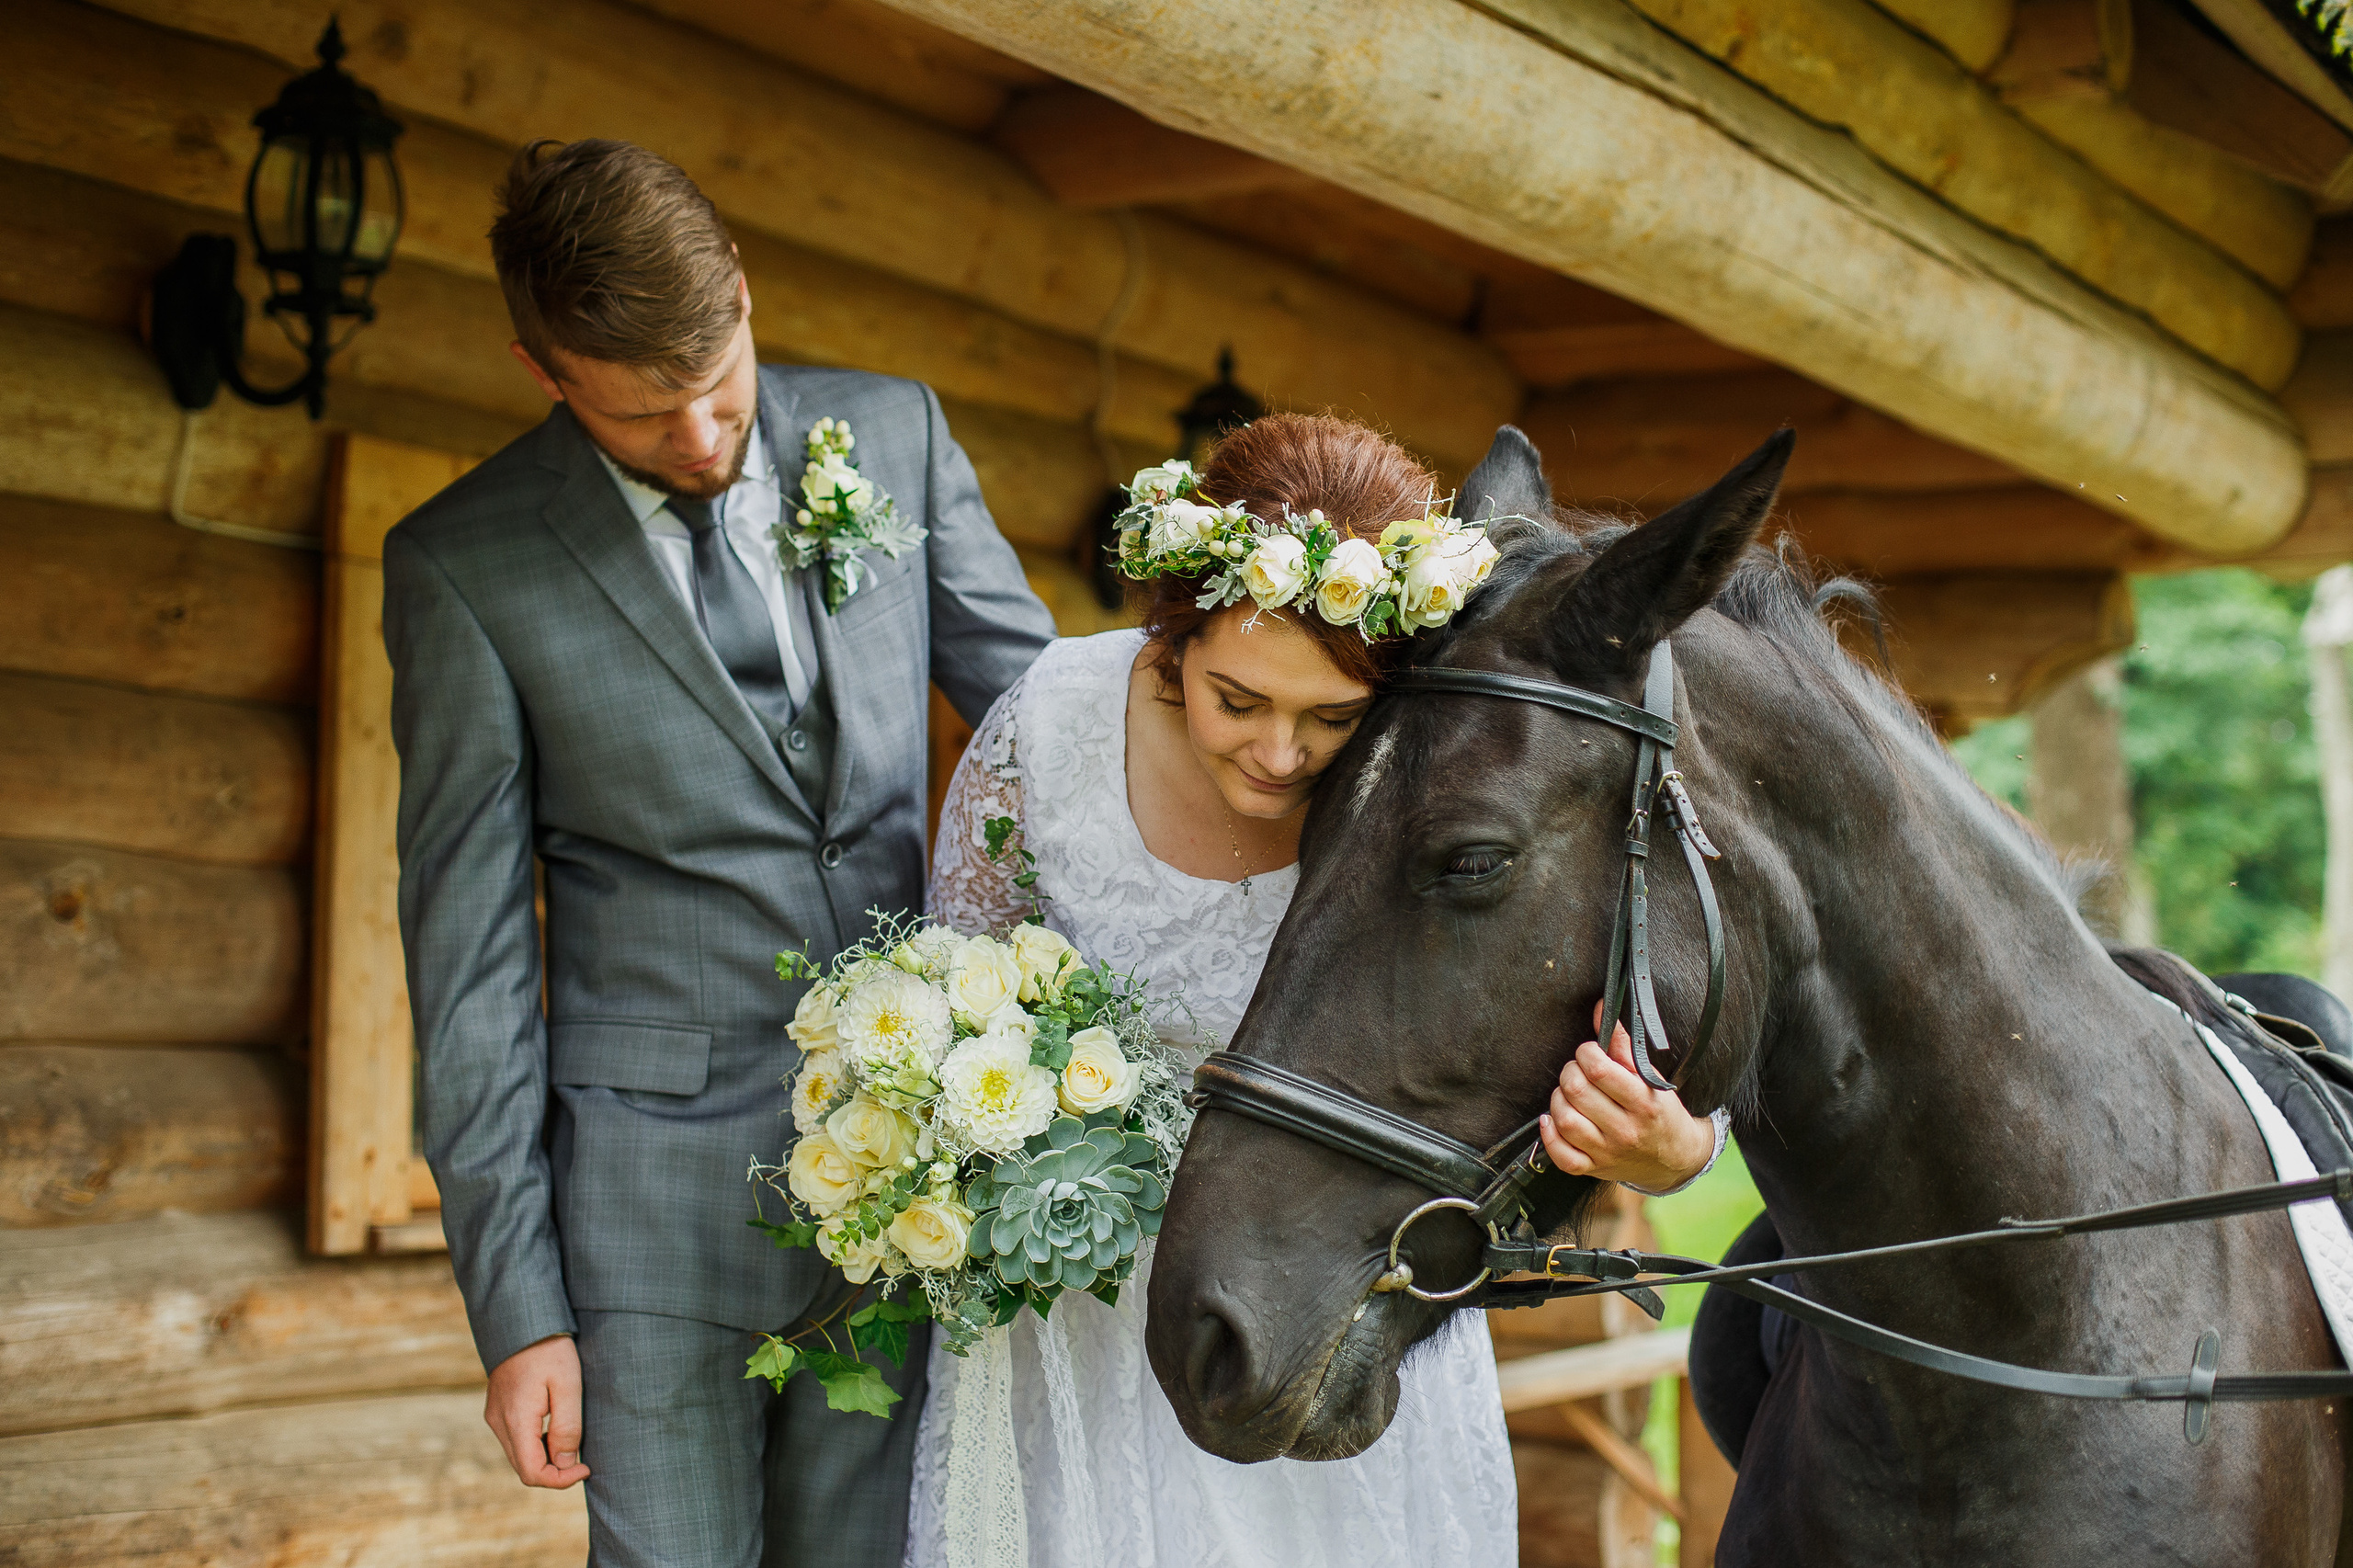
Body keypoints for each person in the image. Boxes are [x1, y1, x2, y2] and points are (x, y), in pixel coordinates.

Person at [382, 139, 1055, 1568]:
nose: (700, 437)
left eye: (721, 381)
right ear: (542, 367)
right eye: (642, 413)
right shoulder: (464, 565)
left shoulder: (896, 435)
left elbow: (1053, 733)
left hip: (906, 1185)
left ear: (743, 291)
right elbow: (470, 962)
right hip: (647, 1211)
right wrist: (520, 1313)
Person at [912, 413, 1722, 1567]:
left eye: (1330, 718)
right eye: (1236, 700)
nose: (1280, 754)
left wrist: (1677, 1146)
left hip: (1341, 1295)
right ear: (1173, 635)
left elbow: (1653, 987)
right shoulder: (1047, 727)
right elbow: (950, 992)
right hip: (1078, 1322)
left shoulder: (1439, 758)